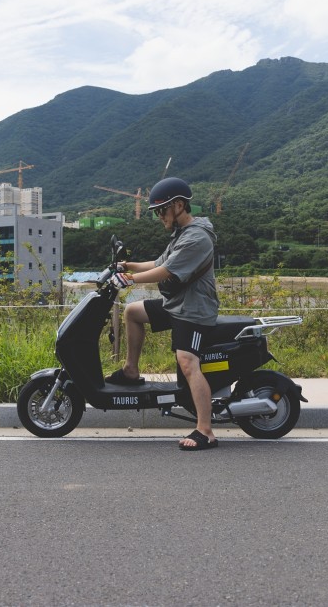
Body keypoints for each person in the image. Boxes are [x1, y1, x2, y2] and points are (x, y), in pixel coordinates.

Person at [106, 176, 220, 451]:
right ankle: (131, 371)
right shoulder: (181, 235)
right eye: (157, 211)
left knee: (187, 361)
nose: (159, 216)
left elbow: (166, 272)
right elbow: (158, 262)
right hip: (177, 304)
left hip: (194, 309)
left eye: (162, 210)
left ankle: (206, 430)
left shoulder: (196, 238)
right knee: (133, 312)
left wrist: (131, 280)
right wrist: (126, 265)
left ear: (179, 205)